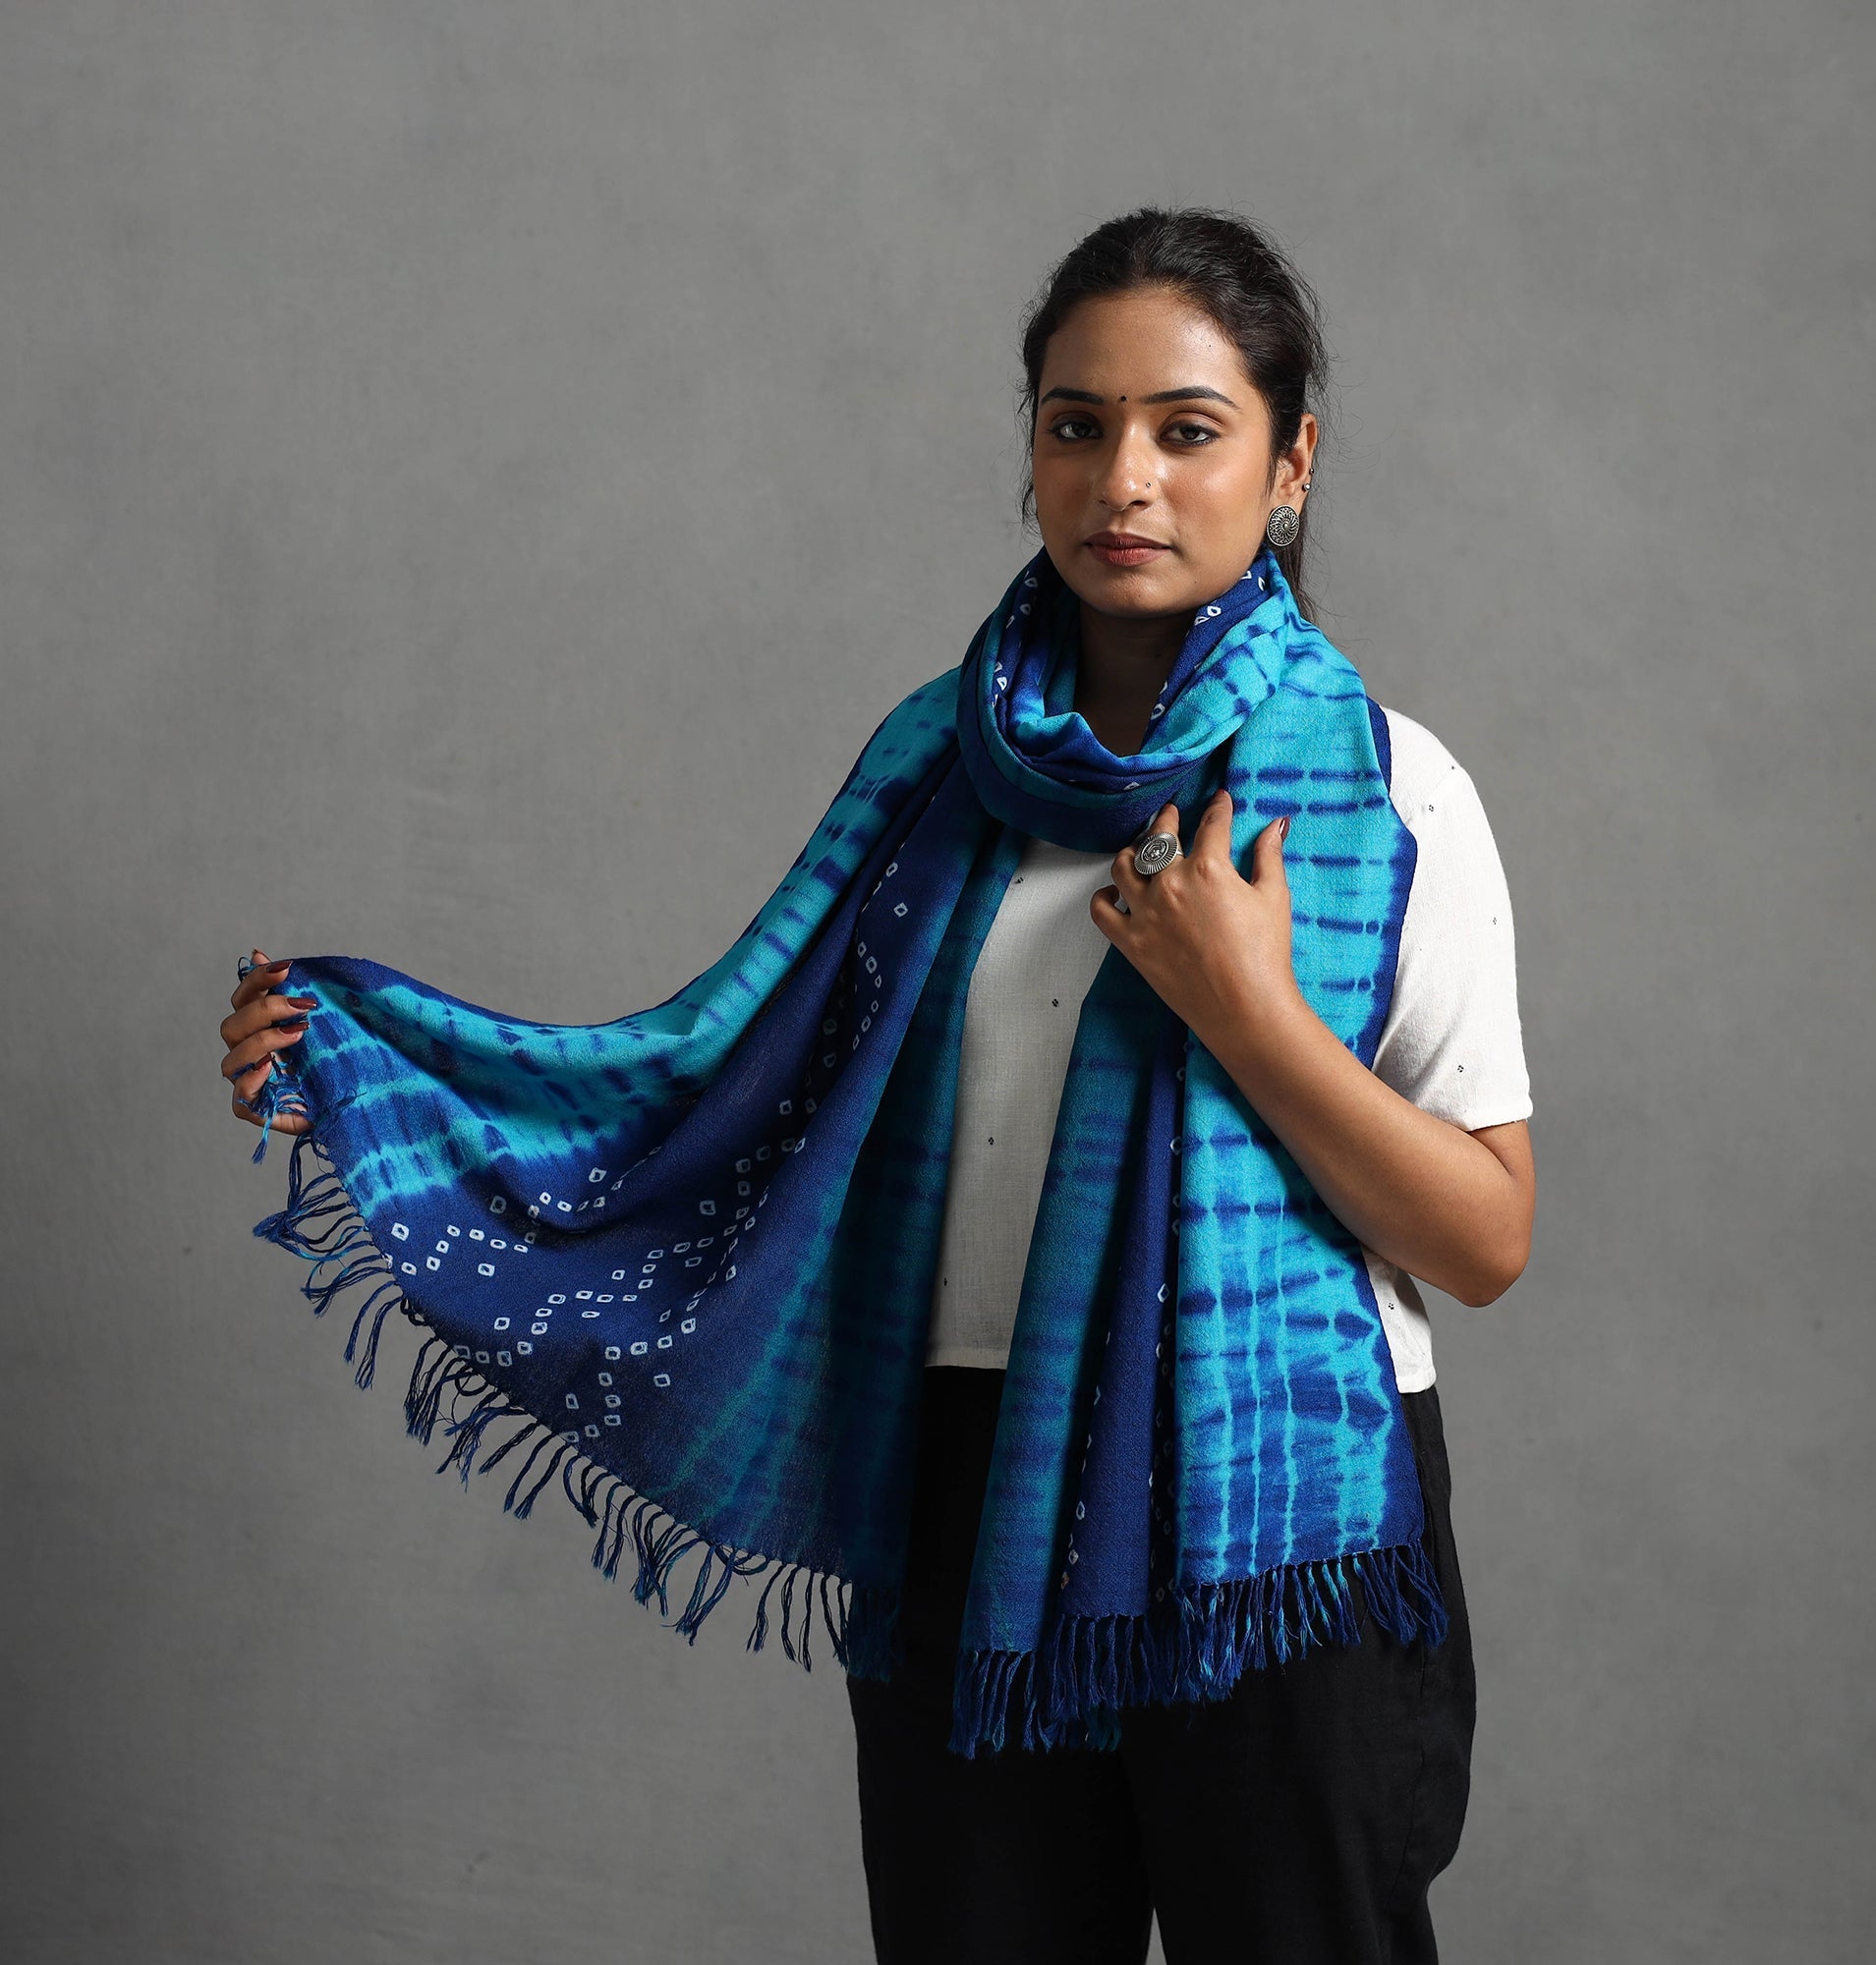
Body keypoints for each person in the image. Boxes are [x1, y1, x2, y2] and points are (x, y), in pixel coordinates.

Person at [218, 207, 1534, 1965]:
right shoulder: (934, 775)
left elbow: (1485, 1236)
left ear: (1289, 468)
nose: (1124, 479)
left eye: (1187, 430)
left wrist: (1251, 1011)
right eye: (1076, 425)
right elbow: (711, 1084)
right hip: (966, 1478)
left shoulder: (1388, 791)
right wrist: (377, 1077)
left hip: (1273, 1501)